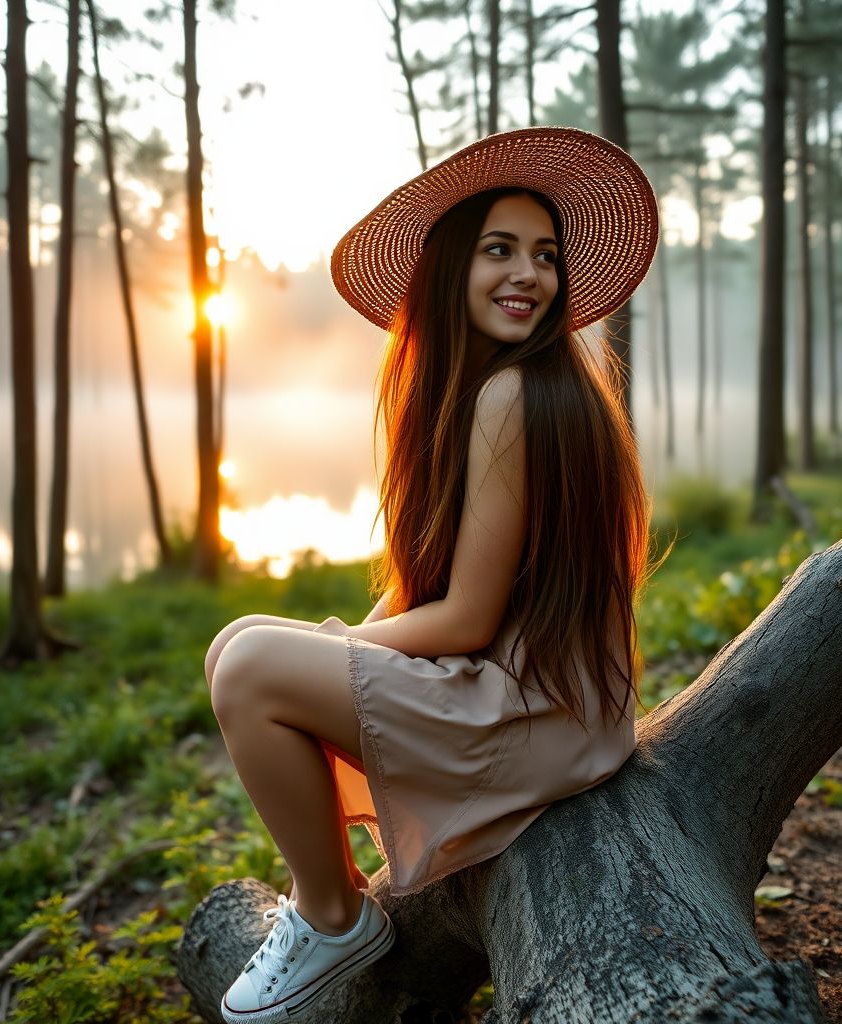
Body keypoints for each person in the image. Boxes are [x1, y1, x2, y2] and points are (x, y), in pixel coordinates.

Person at [205, 126, 658, 1023]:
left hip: (537, 720)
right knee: (242, 644)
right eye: (500, 250)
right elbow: (434, 591)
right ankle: (327, 906)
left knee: (251, 665)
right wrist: (341, 648)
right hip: (557, 710)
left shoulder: (516, 393)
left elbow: (463, 620)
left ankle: (332, 918)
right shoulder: (511, 389)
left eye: (544, 255)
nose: (528, 274)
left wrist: (333, 646)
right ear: (451, 267)